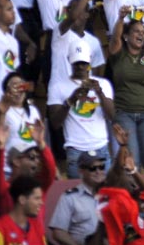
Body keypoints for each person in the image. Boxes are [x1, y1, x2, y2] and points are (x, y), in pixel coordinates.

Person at [106, 3, 144, 174]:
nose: (141, 34)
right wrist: (120, 18)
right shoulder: (119, 55)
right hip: (125, 114)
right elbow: (115, 40)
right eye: (136, 31)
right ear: (126, 36)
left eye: (143, 32)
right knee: (132, 161)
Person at [46, 40, 114, 178]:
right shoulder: (58, 87)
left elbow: (112, 116)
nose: (81, 67)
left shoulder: (103, 84)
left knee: (104, 195)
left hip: (100, 146)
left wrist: (100, 93)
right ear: (70, 62)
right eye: (77, 63)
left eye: (84, 63)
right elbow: (55, 123)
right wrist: (71, 100)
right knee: (78, 193)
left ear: (89, 61)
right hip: (75, 150)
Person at [48, 151, 106, 245]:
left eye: (101, 167)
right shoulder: (70, 197)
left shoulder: (111, 195)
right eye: (92, 168)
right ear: (81, 171)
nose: (98, 171)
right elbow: (58, 233)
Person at [0, 176, 46, 245]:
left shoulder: (37, 228)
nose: (41, 203)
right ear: (22, 199)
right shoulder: (0, 228)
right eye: (37, 198)